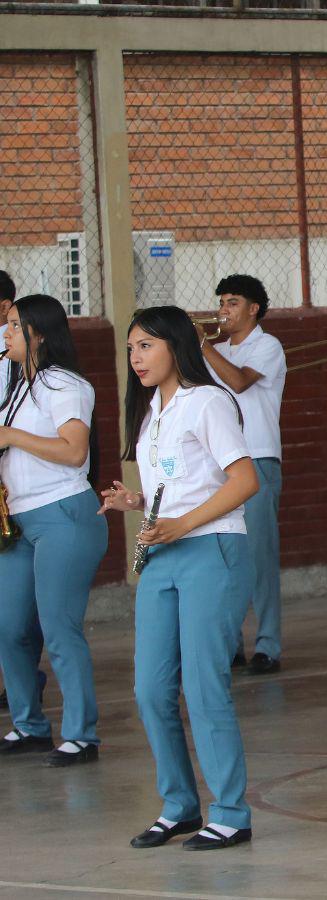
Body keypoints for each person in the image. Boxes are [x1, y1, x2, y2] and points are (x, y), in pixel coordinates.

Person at [102, 306, 259, 850]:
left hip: (211, 551)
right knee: (150, 689)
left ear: (175, 345)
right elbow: (186, 483)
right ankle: (179, 805)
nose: (135, 358)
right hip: (164, 555)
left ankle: (231, 812)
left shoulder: (209, 401)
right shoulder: (152, 412)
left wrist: (181, 525)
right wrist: (138, 503)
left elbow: (245, 480)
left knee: (203, 684)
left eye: (145, 345)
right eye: (130, 348)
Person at [0, 294, 107, 766]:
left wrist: (10, 437)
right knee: (9, 628)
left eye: (13, 326)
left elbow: (73, 452)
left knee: (59, 628)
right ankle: (29, 725)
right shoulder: (18, 384)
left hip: (63, 514)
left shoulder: (64, 384)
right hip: (21, 520)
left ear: (39, 333)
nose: (5, 334)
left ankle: (81, 734)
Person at [201, 275, 286, 675]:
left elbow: (238, 381)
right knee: (225, 558)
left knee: (259, 557)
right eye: (221, 302)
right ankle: (231, 642)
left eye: (232, 303)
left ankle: (268, 644)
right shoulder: (212, 350)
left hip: (258, 459)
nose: (223, 311)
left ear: (254, 308)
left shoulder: (268, 346)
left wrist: (201, 345)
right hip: (219, 465)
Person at [0, 272, 48, 714]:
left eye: (13, 323)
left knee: (22, 612)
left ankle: (23, 690)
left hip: (31, 498)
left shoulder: (21, 370)